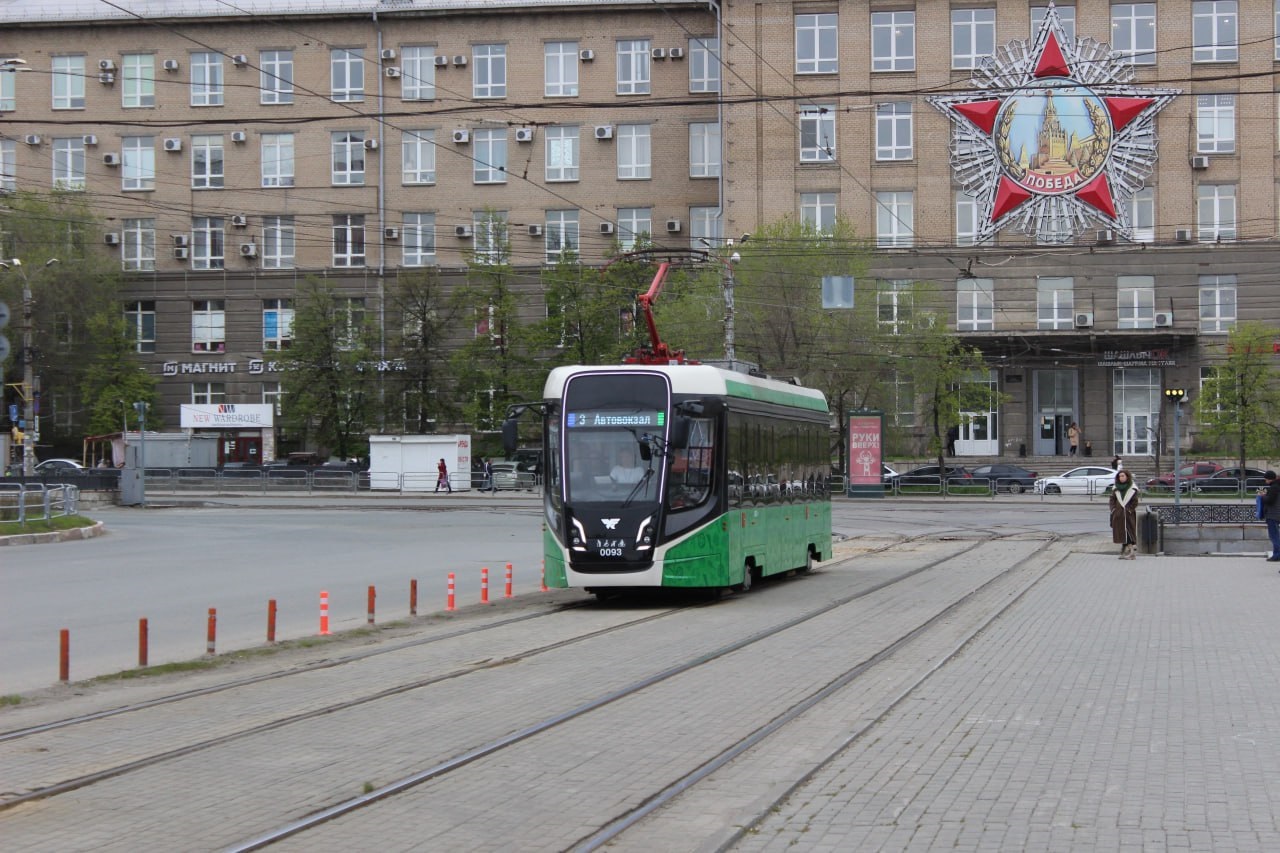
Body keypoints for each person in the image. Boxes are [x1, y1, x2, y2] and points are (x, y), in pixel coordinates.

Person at [1110, 470, 1140, 560]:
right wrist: (1113, 509)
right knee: (1122, 533)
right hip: (1118, 514)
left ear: (1127, 476)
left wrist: (1129, 510)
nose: (1121, 478)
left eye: (1123, 476)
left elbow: (1135, 502)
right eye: (1119, 476)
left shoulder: (1132, 488)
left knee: (1129, 533)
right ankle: (1123, 551)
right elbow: (1112, 500)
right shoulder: (1116, 488)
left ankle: (1131, 553)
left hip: (1128, 515)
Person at [1259, 470, 1280, 562]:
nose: (1265, 481)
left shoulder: (1274, 487)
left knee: (1274, 536)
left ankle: (1277, 555)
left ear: (1269, 479)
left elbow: (1270, 501)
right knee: (1275, 535)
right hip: (1276, 514)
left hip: (1273, 514)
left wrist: (1263, 496)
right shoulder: (1276, 486)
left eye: (1266, 479)